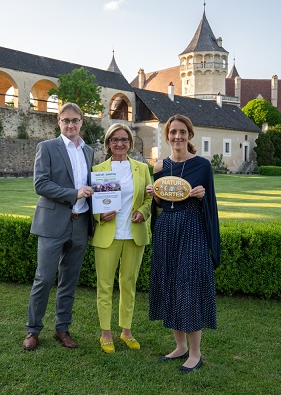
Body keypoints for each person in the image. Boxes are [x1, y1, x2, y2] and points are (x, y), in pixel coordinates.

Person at [145, 114, 221, 373]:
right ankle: (180, 347)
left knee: (188, 284)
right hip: (167, 228)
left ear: (190, 135)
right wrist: (154, 196)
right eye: (173, 132)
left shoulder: (202, 165)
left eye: (182, 132)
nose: (177, 137)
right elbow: (159, 206)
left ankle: (196, 353)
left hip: (192, 228)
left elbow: (210, 205)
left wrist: (201, 196)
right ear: (167, 136)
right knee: (170, 283)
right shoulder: (158, 167)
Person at [23, 102, 94, 351]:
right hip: (53, 223)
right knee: (43, 278)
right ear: (59, 122)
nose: (71, 125)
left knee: (69, 281)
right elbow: (40, 184)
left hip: (80, 222)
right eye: (66, 121)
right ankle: (33, 330)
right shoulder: (47, 147)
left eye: (75, 120)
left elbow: (94, 186)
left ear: (81, 122)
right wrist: (74, 193)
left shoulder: (89, 151)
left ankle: (62, 329)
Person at [91, 124, 152, 354]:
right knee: (104, 285)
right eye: (114, 140)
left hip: (133, 235)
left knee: (129, 284)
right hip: (108, 234)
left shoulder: (142, 169)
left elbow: (148, 200)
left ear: (130, 143)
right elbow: (92, 204)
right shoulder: (98, 169)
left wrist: (143, 212)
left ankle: (126, 331)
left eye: (124, 139)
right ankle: (106, 333)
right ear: (108, 143)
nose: (119, 143)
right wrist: (99, 214)